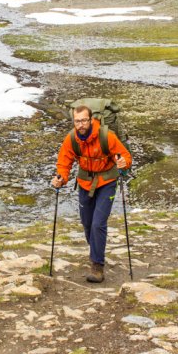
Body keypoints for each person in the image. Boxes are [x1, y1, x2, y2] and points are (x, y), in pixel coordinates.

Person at [51, 104, 132, 283]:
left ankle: (97, 265)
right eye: (77, 121)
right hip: (85, 182)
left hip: (107, 181)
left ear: (91, 119)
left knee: (97, 224)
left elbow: (125, 156)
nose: (80, 124)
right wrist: (60, 179)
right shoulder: (71, 139)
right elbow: (64, 163)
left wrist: (123, 163)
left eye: (83, 120)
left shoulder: (106, 136)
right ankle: (97, 250)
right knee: (87, 223)